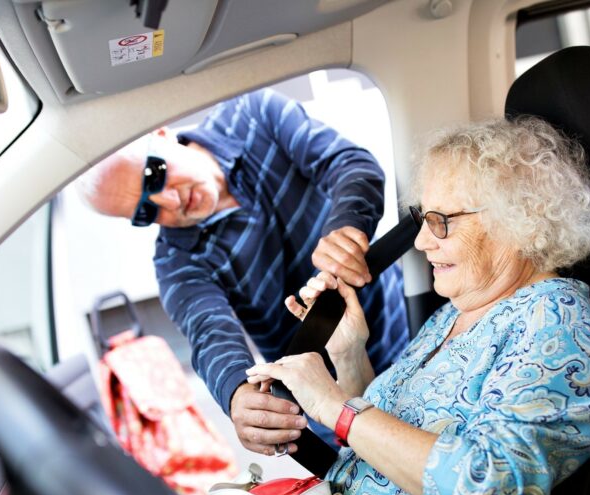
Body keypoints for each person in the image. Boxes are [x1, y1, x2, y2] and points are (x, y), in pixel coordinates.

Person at [246, 116, 590, 495]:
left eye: (441, 221)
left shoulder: (558, 322)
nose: (422, 240)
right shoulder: (458, 311)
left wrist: (333, 407)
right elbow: (395, 435)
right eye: (424, 217)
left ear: (518, 221)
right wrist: (350, 354)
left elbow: (486, 494)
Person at [79, 88, 409, 456]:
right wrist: (237, 393)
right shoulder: (176, 261)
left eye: (154, 176)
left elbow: (351, 165)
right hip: (333, 402)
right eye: (145, 212)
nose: (169, 202)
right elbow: (210, 334)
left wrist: (346, 228)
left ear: (161, 132)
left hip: (408, 334)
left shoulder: (255, 115)